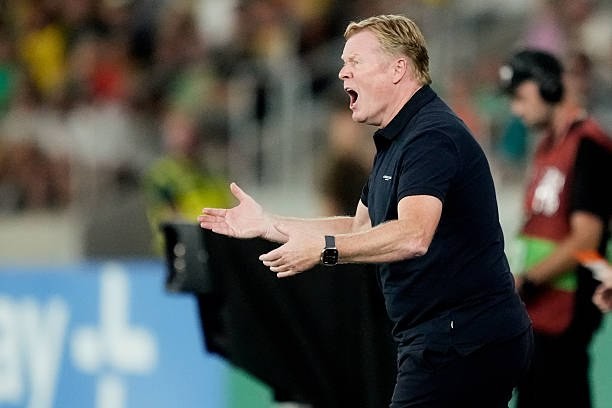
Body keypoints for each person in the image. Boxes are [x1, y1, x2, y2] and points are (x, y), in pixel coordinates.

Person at [199, 15, 532, 408]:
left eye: (355, 61)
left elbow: (413, 235)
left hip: (462, 339)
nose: (343, 73)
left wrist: (325, 250)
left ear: (398, 68)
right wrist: (268, 224)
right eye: (344, 62)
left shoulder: (431, 136)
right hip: (446, 337)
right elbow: (360, 225)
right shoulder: (397, 140)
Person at [499, 49, 612, 408]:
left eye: (520, 97)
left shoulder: (588, 145)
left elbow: (586, 238)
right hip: (538, 312)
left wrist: (527, 280)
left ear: (547, 86)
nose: (516, 109)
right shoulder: (549, 146)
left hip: (565, 311)